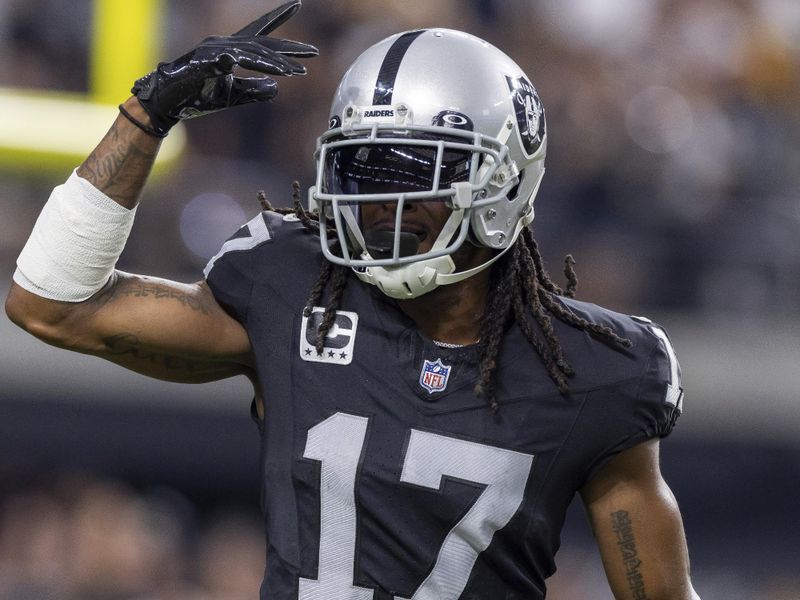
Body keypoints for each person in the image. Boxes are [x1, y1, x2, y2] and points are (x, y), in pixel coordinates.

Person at [5, 1, 701, 599]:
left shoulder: (598, 371)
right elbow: (50, 302)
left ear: (506, 178)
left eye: (412, 171)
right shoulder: (290, 287)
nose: (379, 202)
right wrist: (143, 116)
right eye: (360, 168)